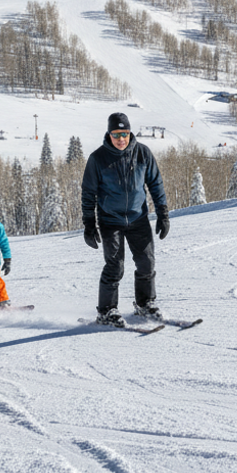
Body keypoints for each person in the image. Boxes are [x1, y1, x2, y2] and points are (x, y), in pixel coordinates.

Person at [80, 112, 170, 327]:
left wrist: (163, 214)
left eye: (125, 133)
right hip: (111, 221)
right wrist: (89, 224)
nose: (121, 138)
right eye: (116, 134)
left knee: (146, 263)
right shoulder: (98, 158)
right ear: (109, 134)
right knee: (115, 267)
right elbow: (88, 193)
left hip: (138, 219)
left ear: (130, 133)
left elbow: (155, 184)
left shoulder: (142, 153)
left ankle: (145, 304)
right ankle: (106, 311)